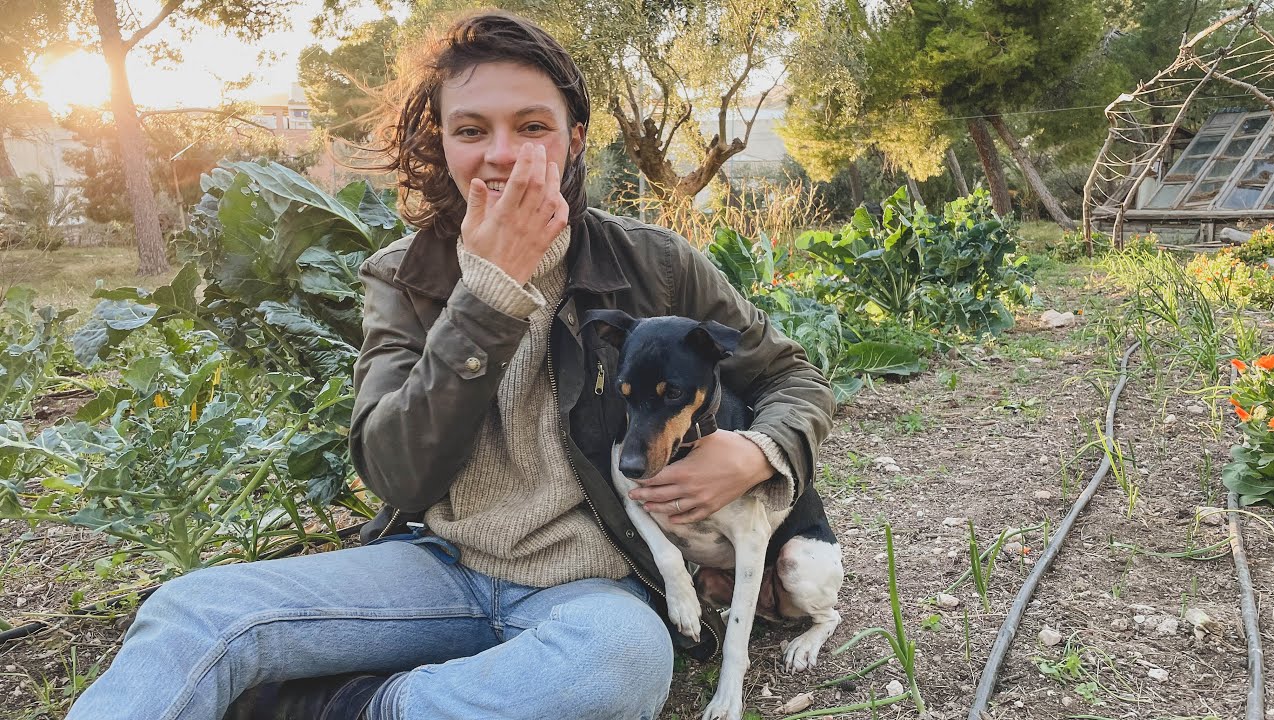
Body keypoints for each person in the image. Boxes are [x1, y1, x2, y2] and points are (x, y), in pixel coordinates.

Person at [64, 11, 834, 720]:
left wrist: (759, 450)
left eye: (532, 125)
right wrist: (488, 298)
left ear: (573, 135)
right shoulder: (402, 277)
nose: (502, 154)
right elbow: (396, 473)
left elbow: (791, 377)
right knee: (191, 611)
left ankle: (353, 706)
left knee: (621, 664)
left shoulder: (655, 262)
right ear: (443, 141)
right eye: (472, 130)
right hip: (439, 567)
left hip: (596, 588)